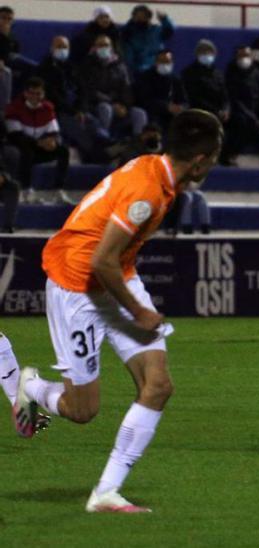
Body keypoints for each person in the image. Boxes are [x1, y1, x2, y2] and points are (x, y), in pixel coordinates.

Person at [15, 109, 222, 513]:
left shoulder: (155, 172)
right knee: (81, 411)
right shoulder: (147, 192)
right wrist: (139, 314)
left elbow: (112, 262)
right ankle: (33, 388)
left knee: (158, 385)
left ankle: (106, 493)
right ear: (200, 160)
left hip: (117, 278)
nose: (214, 164)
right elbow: (101, 261)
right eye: (214, 157)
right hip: (78, 288)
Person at [6, 77, 71, 204]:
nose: (35, 97)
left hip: (41, 148)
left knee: (63, 151)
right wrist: (39, 143)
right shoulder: (14, 108)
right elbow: (15, 136)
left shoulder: (48, 108)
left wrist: (53, 141)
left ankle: (58, 190)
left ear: (43, 94)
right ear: (25, 93)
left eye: (38, 93)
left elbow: (54, 131)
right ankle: (26, 191)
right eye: (32, 93)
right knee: (26, 151)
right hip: (22, 148)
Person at [77, 34, 147, 140]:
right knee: (106, 108)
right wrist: (112, 103)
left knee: (139, 114)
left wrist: (125, 106)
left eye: (106, 45)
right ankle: (104, 141)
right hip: (96, 104)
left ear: (111, 47)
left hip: (120, 105)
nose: (103, 48)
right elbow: (89, 90)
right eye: (100, 45)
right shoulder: (87, 65)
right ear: (94, 47)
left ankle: (138, 143)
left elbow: (126, 88)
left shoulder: (120, 66)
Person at [223, 45, 259, 166]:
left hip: (258, 116)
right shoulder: (231, 75)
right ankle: (228, 155)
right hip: (240, 114)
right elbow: (234, 100)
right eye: (240, 56)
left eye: (246, 55)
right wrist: (254, 119)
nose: (243, 58)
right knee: (245, 125)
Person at [133, 49, 186, 131]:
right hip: (153, 113)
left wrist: (181, 107)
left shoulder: (175, 80)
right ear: (156, 62)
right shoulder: (146, 77)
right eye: (161, 61)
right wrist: (166, 107)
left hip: (172, 115)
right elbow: (145, 100)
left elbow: (183, 99)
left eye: (167, 61)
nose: (165, 64)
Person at [119, 4, 173, 74]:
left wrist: (164, 18)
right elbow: (129, 59)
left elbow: (170, 30)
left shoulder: (157, 30)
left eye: (144, 16)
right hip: (139, 71)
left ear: (149, 17)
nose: (141, 19)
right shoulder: (129, 34)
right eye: (138, 17)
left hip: (158, 69)